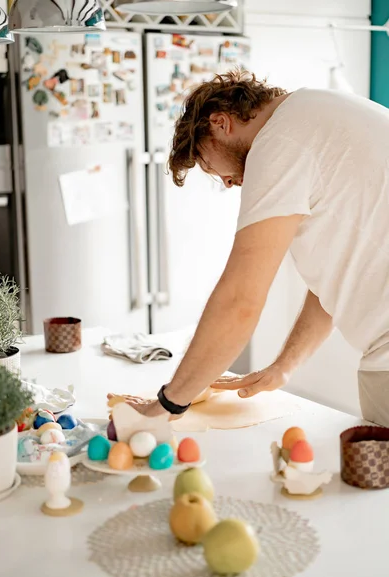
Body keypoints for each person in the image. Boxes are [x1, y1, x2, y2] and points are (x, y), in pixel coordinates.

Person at [123, 68, 389, 426]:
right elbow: (335, 281)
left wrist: (169, 404)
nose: (228, 182)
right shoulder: (317, 111)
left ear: (220, 123)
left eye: (208, 164)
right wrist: (284, 366)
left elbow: (240, 300)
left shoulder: (280, 140)